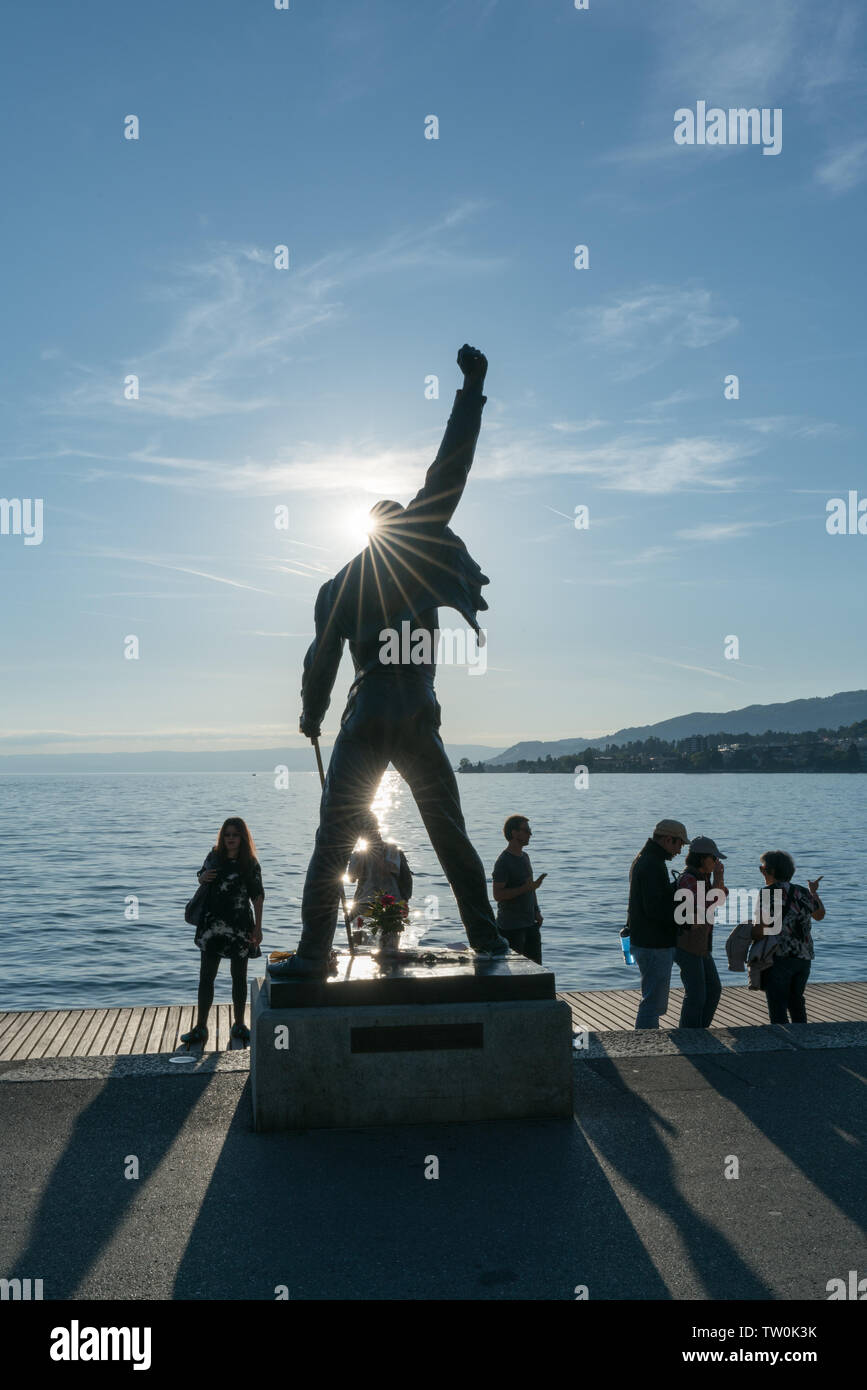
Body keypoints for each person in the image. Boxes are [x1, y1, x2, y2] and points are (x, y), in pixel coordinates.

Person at [274, 344, 509, 978]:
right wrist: (472, 389)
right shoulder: (420, 559)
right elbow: (450, 470)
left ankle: (313, 953)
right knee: (449, 831)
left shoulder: (340, 585)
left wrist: (311, 713)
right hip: (419, 711)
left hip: (371, 707)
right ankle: (488, 942)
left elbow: (320, 660)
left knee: (333, 838)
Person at [180, 817, 264, 1047]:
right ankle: (201, 1027)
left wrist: (258, 927)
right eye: (227, 834)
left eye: (235, 834)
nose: (230, 838)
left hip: (239, 927)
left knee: (239, 977)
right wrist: (202, 877)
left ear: (242, 837)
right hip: (212, 927)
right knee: (206, 977)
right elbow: (201, 875)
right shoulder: (214, 856)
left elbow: (257, 896)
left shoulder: (250, 863)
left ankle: (239, 1024)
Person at [751, 850, 825, 1024]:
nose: (761, 871)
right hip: (803, 958)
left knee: (778, 1008)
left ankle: (783, 1048)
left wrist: (748, 934)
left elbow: (761, 930)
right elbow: (820, 915)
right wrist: (813, 892)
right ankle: (804, 1044)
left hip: (779, 958)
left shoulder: (767, 893)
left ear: (771, 871)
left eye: (762, 868)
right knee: (797, 1002)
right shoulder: (802, 892)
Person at [628, 818, 689, 1028]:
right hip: (654, 943)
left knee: (653, 1001)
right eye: (679, 844)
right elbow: (655, 909)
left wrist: (672, 888)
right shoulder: (653, 864)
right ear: (668, 839)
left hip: (644, 940)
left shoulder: (645, 859)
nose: (680, 851)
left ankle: (645, 1044)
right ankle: (645, 1048)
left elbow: (652, 900)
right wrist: (682, 916)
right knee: (653, 1004)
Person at [674, 835, 727, 1027]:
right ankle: (689, 1033)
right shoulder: (688, 879)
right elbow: (703, 907)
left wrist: (718, 879)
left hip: (701, 944)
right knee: (696, 993)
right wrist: (718, 881)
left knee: (713, 989)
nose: (716, 862)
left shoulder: (703, 878)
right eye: (713, 858)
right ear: (702, 858)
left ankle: (700, 1031)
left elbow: (719, 900)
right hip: (687, 944)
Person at [491, 814, 545, 962]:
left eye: (529, 830)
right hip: (511, 928)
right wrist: (525, 888)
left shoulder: (525, 857)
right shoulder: (503, 862)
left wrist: (536, 911)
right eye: (526, 830)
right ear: (514, 833)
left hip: (530, 924)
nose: (530, 834)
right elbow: (497, 895)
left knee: (537, 970)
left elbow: (530, 888)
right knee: (516, 973)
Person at [347, 812, 413, 919]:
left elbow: (405, 878)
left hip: (387, 902)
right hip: (369, 902)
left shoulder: (393, 851)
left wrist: (405, 900)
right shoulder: (359, 854)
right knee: (360, 928)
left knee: (362, 929)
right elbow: (352, 878)